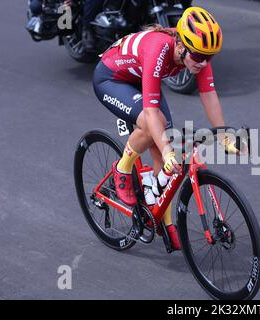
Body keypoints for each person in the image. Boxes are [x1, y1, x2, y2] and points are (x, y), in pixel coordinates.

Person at [92, 6, 243, 250]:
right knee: (154, 127)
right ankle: (123, 168)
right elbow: (151, 113)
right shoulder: (159, 47)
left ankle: (166, 221)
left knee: (165, 148)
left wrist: (225, 135)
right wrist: (167, 150)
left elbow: (209, 93)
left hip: (142, 78)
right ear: (182, 46)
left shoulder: (198, 52)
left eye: (210, 57)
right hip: (112, 78)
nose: (203, 62)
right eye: (198, 56)